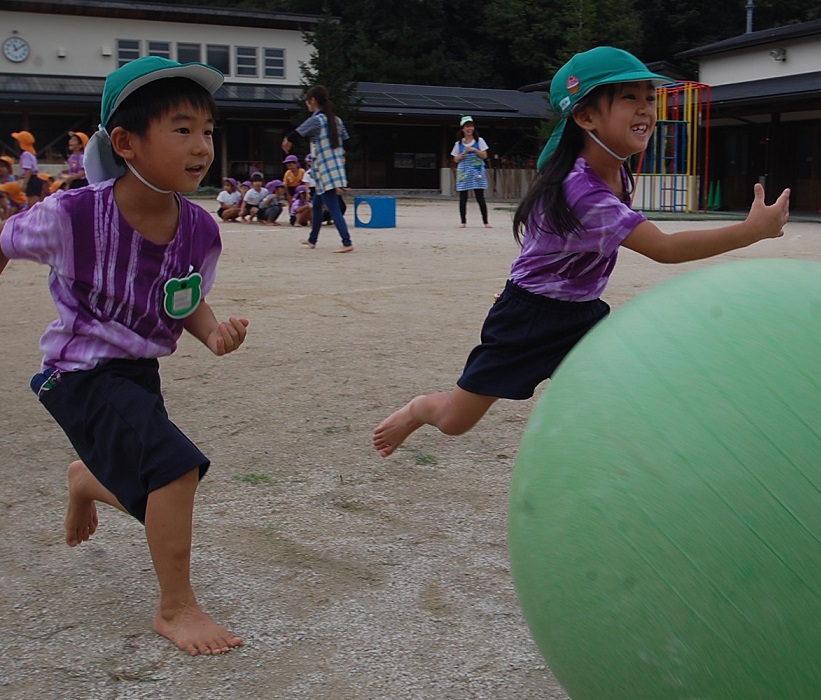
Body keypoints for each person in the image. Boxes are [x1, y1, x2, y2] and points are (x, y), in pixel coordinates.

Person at [373, 46, 790, 458]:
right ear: (586, 116)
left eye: (649, 97)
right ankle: (419, 409)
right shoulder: (581, 191)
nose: (646, 109)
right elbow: (664, 248)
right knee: (455, 421)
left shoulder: (616, 170)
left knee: (625, 390)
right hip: (527, 317)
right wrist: (750, 231)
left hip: (581, 313)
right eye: (629, 98)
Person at [0, 55, 248, 656]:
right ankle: (176, 609)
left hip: (138, 372)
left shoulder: (199, 230)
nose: (201, 146)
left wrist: (212, 332)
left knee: (155, 491)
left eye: (208, 131)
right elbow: (3, 240)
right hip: (78, 373)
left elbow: (184, 296)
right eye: (183, 129)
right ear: (126, 143)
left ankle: (89, 480)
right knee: (174, 469)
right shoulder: (72, 215)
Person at [281, 85, 354, 253]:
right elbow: (348, 142)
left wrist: (287, 140)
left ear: (312, 100)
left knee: (333, 207)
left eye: (307, 101)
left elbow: (298, 132)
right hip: (333, 168)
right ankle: (312, 240)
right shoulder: (337, 120)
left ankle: (347, 241)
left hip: (324, 170)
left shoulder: (318, 119)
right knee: (316, 205)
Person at [451, 116, 491, 229]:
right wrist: (461, 155)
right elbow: (455, 159)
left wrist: (474, 150)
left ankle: (486, 222)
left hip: (476, 170)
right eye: (467, 126)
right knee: (463, 197)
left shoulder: (479, 141)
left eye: (471, 126)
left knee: (480, 196)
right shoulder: (458, 144)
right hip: (463, 170)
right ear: (463, 129)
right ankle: (463, 221)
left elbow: (484, 156)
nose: (469, 128)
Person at [11, 130, 44, 208]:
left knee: (32, 206)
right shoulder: (31, 154)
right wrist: (21, 176)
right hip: (34, 179)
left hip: (32, 181)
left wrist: (24, 184)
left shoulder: (25, 154)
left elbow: (29, 170)